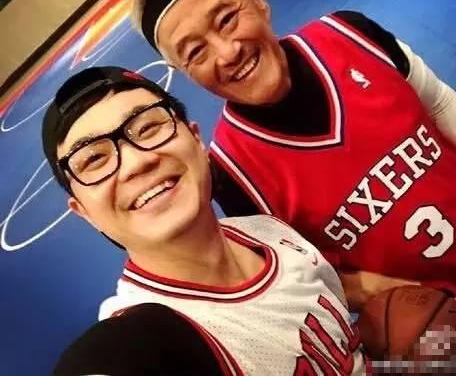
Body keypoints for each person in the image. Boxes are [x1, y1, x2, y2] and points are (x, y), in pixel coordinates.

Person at [130, 0, 456, 338]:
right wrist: (394, 300)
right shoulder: (234, 174)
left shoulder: (350, 34)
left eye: (226, 19)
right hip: (436, 313)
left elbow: (436, 100)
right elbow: (305, 277)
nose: (228, 52)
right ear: (185, 72)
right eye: (196, 52)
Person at [42, 66, 369, 375]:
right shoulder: (140, 339)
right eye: (94, 159)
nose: (135, 162)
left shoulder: (270, 232)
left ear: (197, 140)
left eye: (148, 127)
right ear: (84, 211)